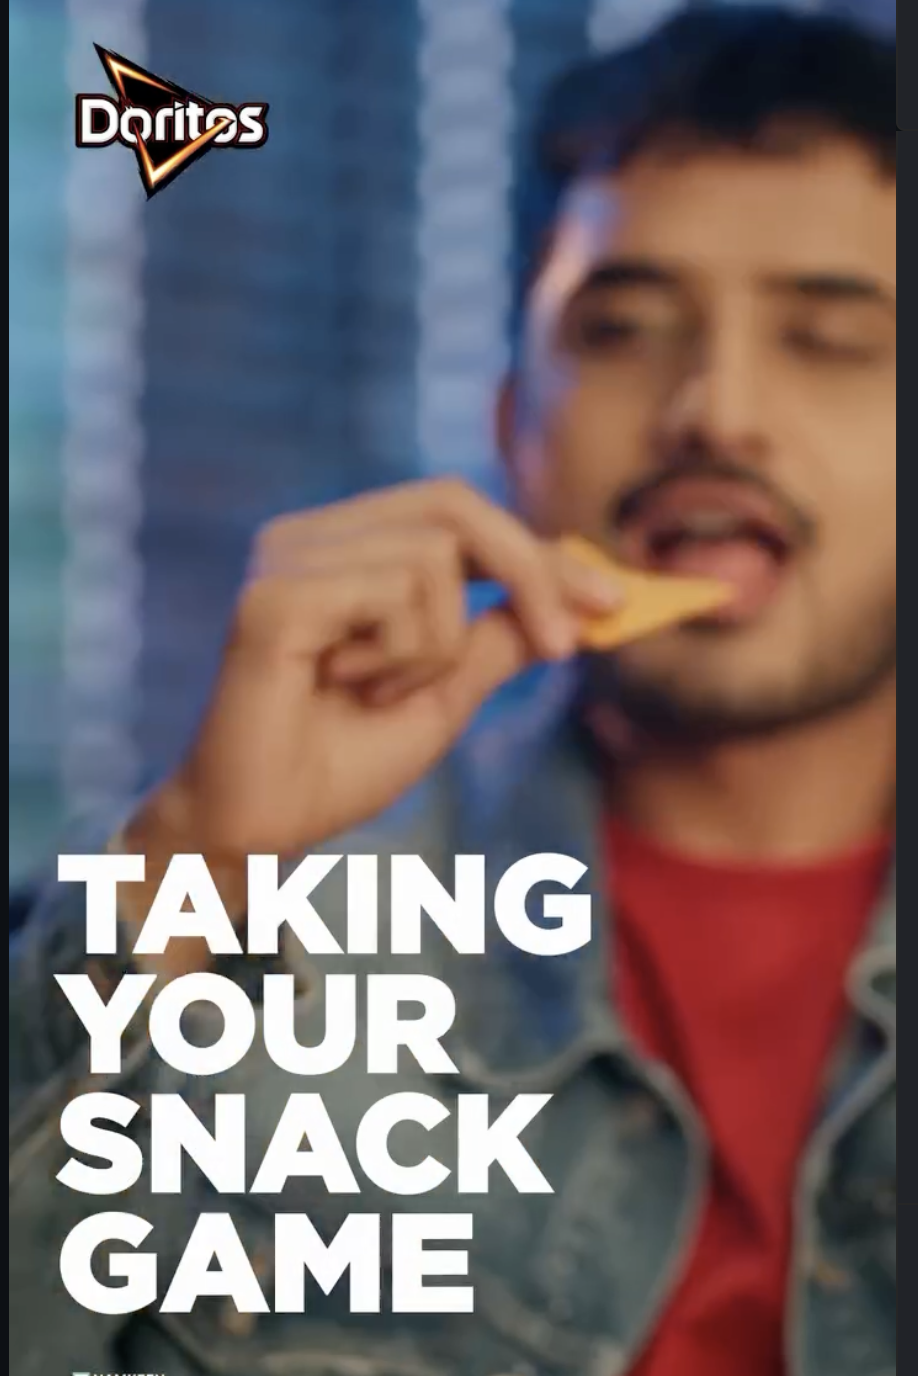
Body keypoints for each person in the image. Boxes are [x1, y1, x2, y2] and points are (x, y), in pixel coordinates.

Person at [9, 6, 895, 1375]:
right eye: (622, 328)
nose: (715, 409)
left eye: (830, 340)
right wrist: (189, 868)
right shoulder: (267, 938)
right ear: (511, 428)